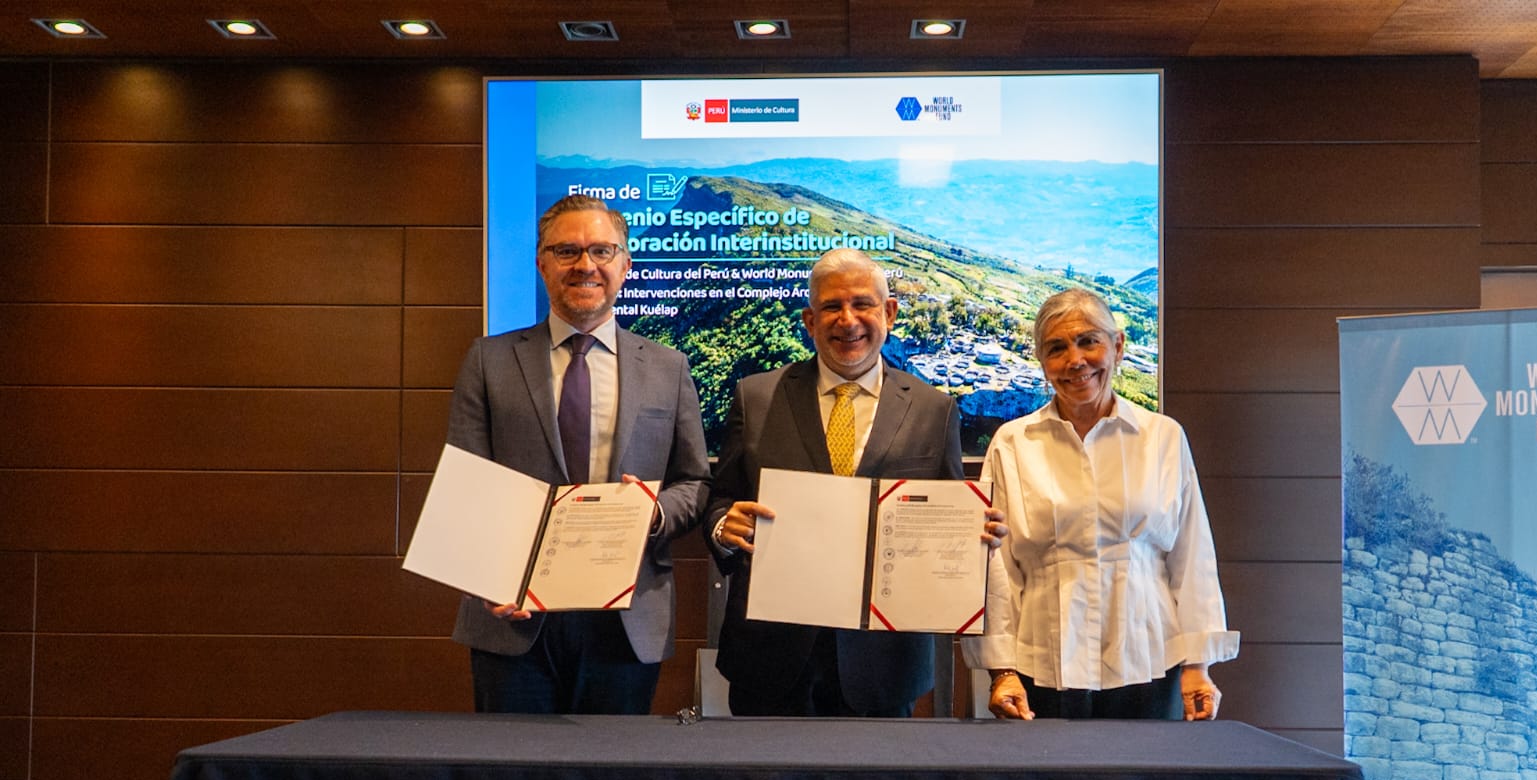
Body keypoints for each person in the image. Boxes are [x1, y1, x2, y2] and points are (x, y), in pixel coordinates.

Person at [706, 248, 1005, 717]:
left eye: (862, 304)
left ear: (888, 312)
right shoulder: (756, 397)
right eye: (831, 307)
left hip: (884, 661)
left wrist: (972, 540)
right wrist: (725, 527)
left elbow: (951, 517)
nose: (848, 320)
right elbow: (721, 498)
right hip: (770, 652)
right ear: (809, 319)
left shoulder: (933, 410)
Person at [446, 194, 711, 714]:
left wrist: (652, 513)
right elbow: (463, 485)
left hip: (624, 619)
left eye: (601, 251)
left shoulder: (668, 368)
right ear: (542, 262)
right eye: (566, 251)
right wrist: (484, 574)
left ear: (626, 265)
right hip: (514, 617)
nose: (585, 265)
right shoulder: (489, 360)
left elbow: (695, 483)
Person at [964, 287, 1238, 721]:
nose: (1076, 360)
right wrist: (1001, 671)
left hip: (1148, 663)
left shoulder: (1163, 437)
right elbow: (997, 569)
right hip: (1041, 668)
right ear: (1042, 361)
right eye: (1057, 348)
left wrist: (1198, 665)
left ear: (1118, 346)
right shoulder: (1012, 444)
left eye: (1089, 341)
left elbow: (1192, 555)